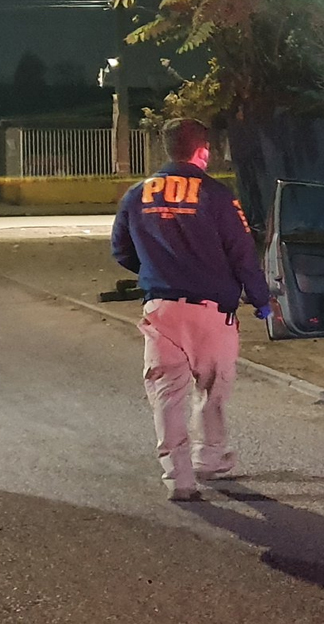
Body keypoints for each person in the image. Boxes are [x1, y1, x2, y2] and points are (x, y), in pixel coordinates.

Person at [111, 118, 271, 501]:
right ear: (203, 151)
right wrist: (261, 299)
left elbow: (120, 250)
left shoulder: (137, 195)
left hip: (161, 309)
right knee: (213, 390)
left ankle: (178, 478)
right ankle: (210, 460)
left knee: (167, 394)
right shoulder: (217, 195)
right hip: (212, 311)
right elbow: (242, 253)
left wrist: (155, 269)